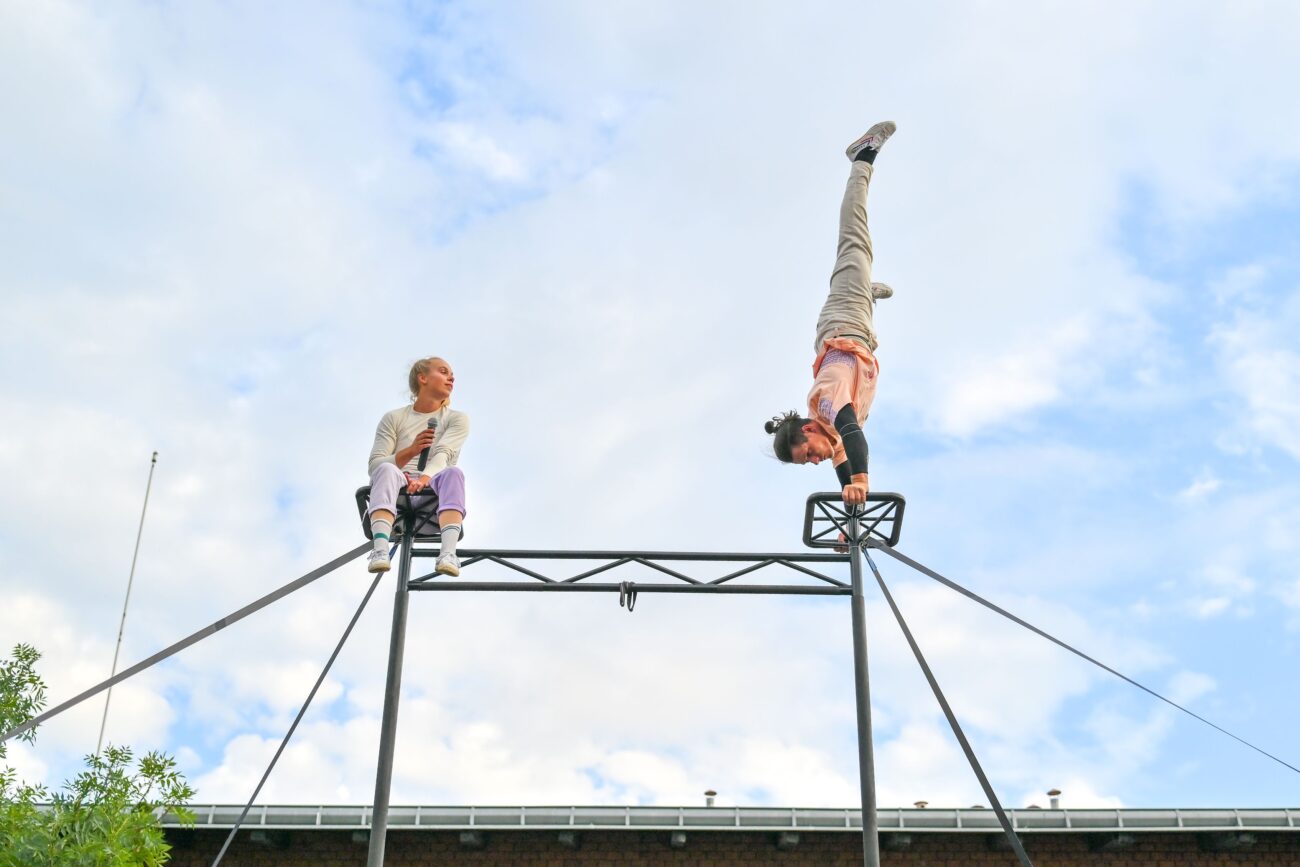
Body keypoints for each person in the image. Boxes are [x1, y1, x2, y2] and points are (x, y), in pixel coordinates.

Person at [764, 121, 897, 508]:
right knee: (860, 281)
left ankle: (861, 159)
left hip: (844, 318)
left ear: (807, 431)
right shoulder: (831, 433)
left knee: (854, 240)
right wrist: (849, 519)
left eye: (808, 453)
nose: (816, 460)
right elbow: (843, 460)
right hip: (858, 332)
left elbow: (853, 435)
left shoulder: (825, 403)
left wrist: (861, 481)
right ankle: (866, 292)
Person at [365, 357, 470, 575]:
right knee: (385, 470)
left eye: (451, 374)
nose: (451, 378)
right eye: (443, 372)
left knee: (454, 473)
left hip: (432, 499)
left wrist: (424, 479)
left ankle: (448, 553)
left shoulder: (457, 419)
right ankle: (380, 550)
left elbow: (444, 453)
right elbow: (375, 465)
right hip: (397, 494)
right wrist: (411, 450)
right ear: (423, 378)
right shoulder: (394, 418)